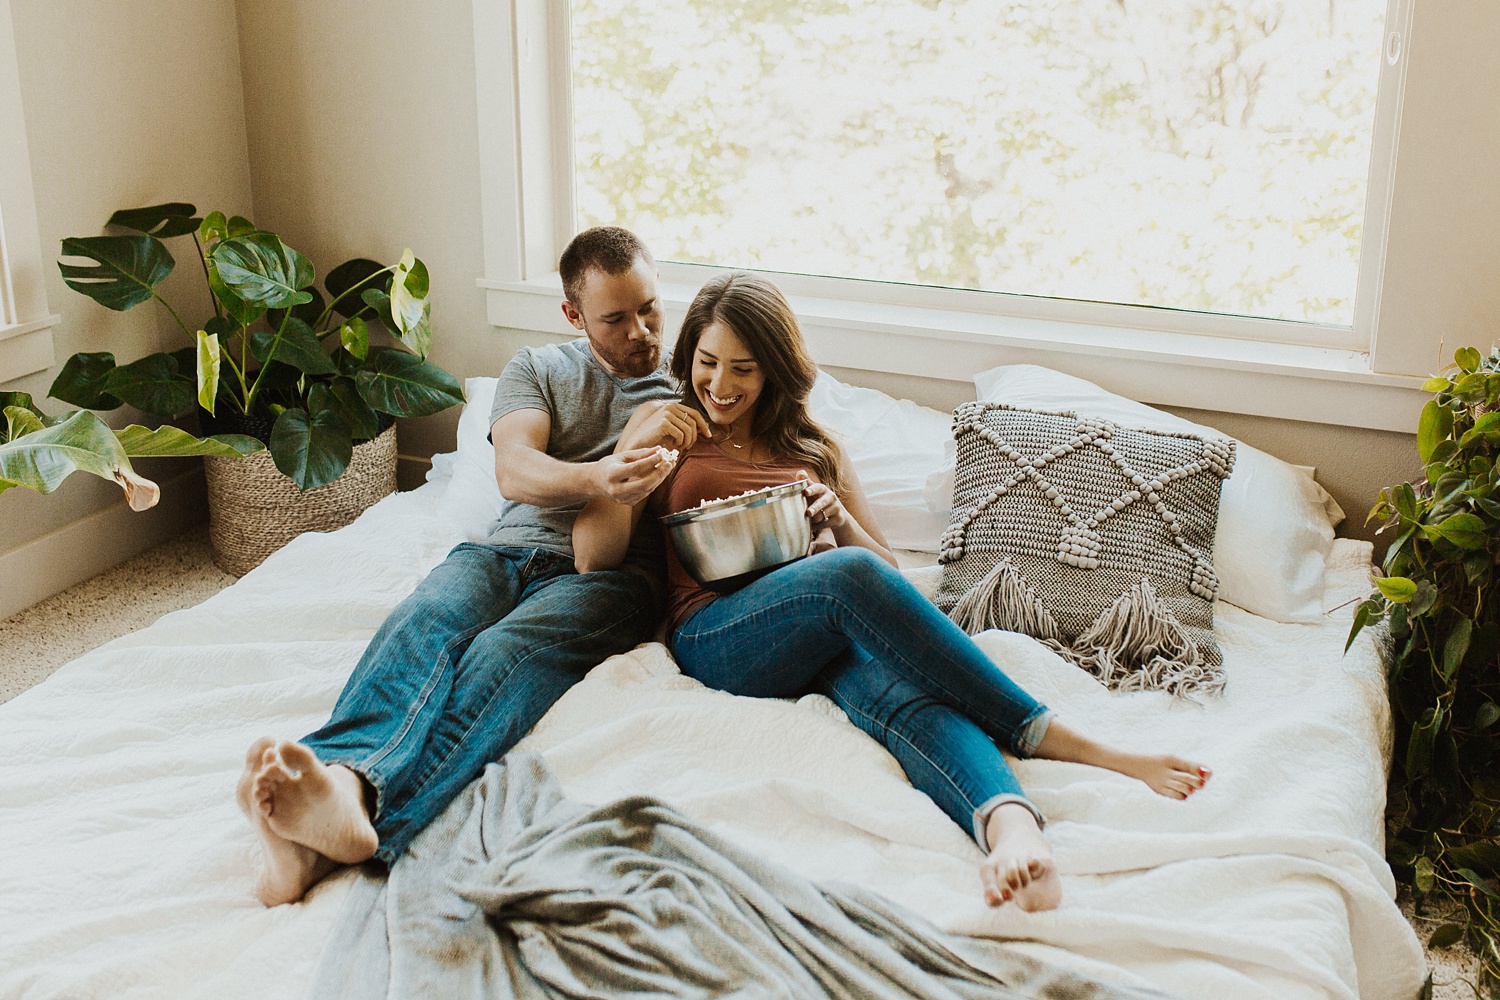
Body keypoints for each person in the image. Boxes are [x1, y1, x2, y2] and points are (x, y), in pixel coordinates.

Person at [573, 272, 1211, 912]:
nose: (719, 384)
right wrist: (629, 449)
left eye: (743, 368)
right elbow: (591, 557)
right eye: (707, 363)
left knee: (899, 692)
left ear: (774, 371)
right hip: (716, 635)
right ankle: (1059, 737)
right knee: (843, 580)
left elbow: (886, 576)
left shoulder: (815, 448)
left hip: (817, 626)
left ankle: (1010, 827)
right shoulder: (668, 431)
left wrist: (838, 521)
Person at [236, 227, 711, 906]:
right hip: (503, 547)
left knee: (502, 654)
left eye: (650, 308)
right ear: (574, 316)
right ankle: (338, 790)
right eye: (616, 318)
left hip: (610, 575)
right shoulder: (538, 369)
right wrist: (603, 472)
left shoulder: (690, 385)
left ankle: (360, 814)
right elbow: (516, 471)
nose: (640, 331)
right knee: (424, 621)